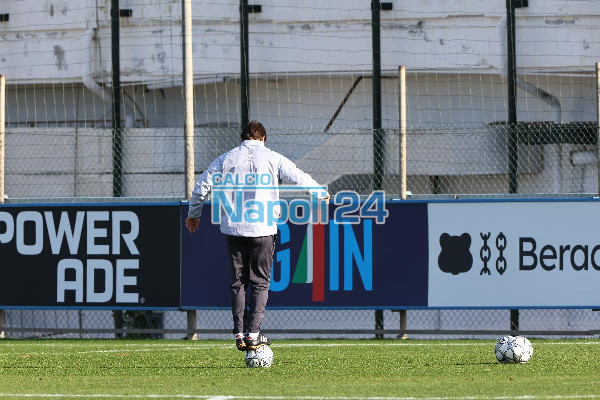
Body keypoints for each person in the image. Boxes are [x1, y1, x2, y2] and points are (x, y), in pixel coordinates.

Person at [186, 121, 328, 351]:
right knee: (260, 282)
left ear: (242, 138)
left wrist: (194, 214)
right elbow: (297, 176)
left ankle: (239, 333)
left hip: (234, 228)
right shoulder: (273, 157)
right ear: (263, 138)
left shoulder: (227, 158)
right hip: (263, 229)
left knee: (238, 282)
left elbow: (202, 185)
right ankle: (253, 334)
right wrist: (319, 192)